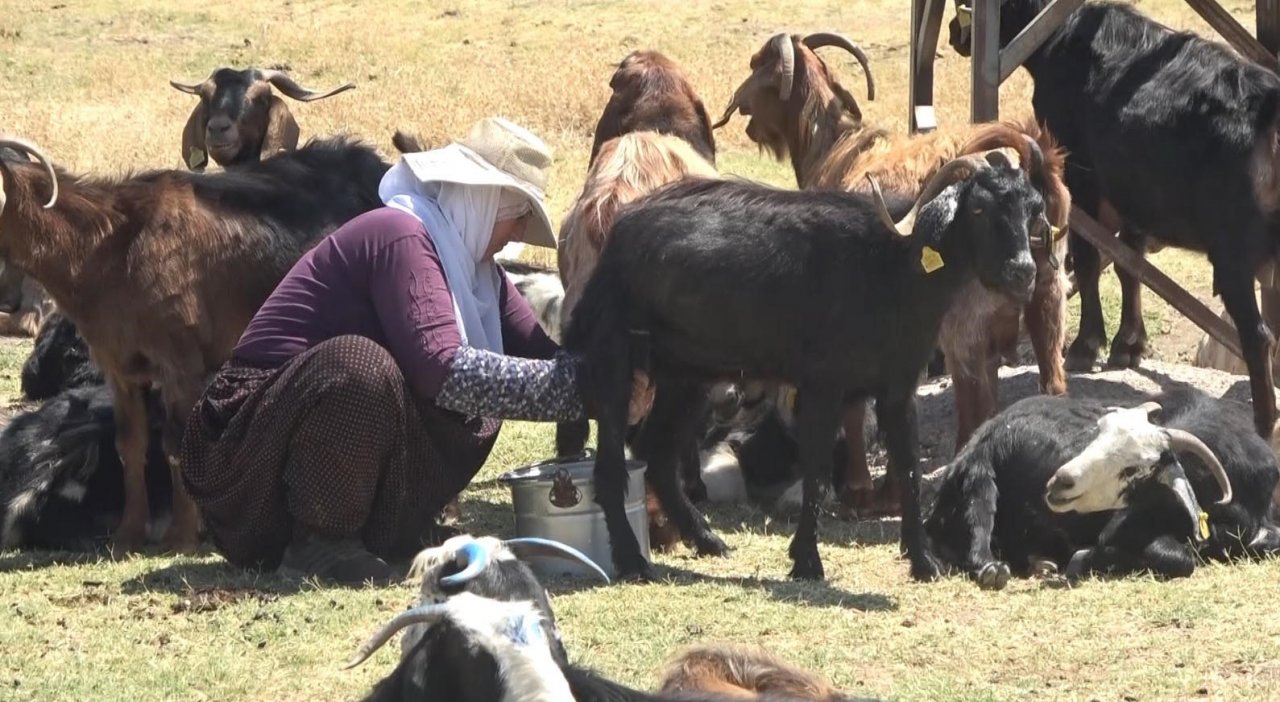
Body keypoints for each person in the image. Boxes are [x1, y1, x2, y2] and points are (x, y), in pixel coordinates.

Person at [180, 117, 646, 586]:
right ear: (482, 200)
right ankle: (318, 545)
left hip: (310, 466)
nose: (520, 232)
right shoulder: (399, 235)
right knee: (362, 366)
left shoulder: (484, 280)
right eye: (517, 213)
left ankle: (379, 532)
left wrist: (618, 378)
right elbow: (442, 368)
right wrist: (586, 388)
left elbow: (547, 361)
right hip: (246, 465)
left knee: (477, 407)